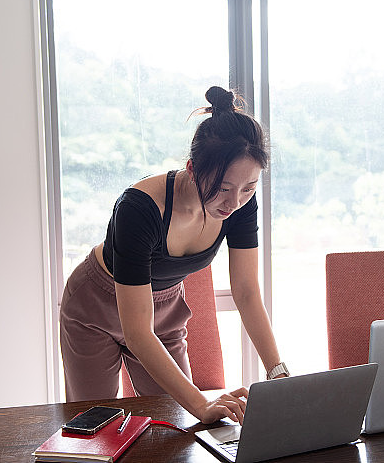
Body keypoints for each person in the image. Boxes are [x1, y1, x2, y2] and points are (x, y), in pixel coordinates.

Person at [60, 85, 288, 425]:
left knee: (178, 424)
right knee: (94, 428)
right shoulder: (138, 208)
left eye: (249, 187)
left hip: (165, 310)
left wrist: (279, 376)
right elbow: (137, 332)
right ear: (192, 168)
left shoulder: (240, 203)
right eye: (223, 187)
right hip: (96, 307)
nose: (234, 201)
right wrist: (203, 404)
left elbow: (246, 291)